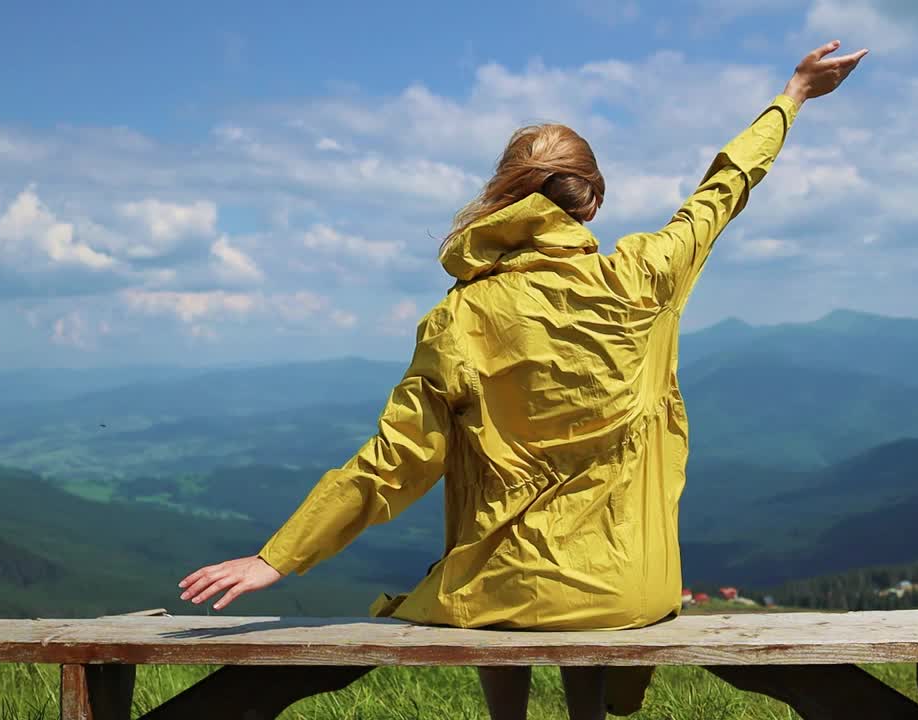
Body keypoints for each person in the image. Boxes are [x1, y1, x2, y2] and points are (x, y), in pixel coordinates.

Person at [168, 39, 868, 720]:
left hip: (507, 593)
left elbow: (396, 462)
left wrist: (279, 556)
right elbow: (721, 191)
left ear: (503, 200)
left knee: (496, 574)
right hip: (628, 590)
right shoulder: (646, 275)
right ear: (591, 201)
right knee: (566, 585)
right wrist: (795, 94)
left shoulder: (463, 314)